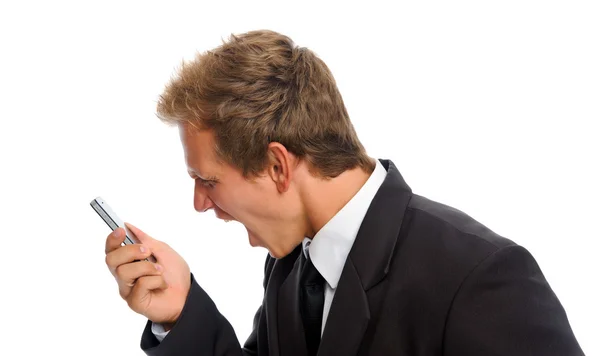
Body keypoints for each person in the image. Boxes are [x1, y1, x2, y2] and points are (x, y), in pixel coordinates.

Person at [104, 29, 584, 356]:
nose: (200, 203)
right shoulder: (292, 269)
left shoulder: (481, 276)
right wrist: (180, 311)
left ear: (277, 166)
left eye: (208, 180)